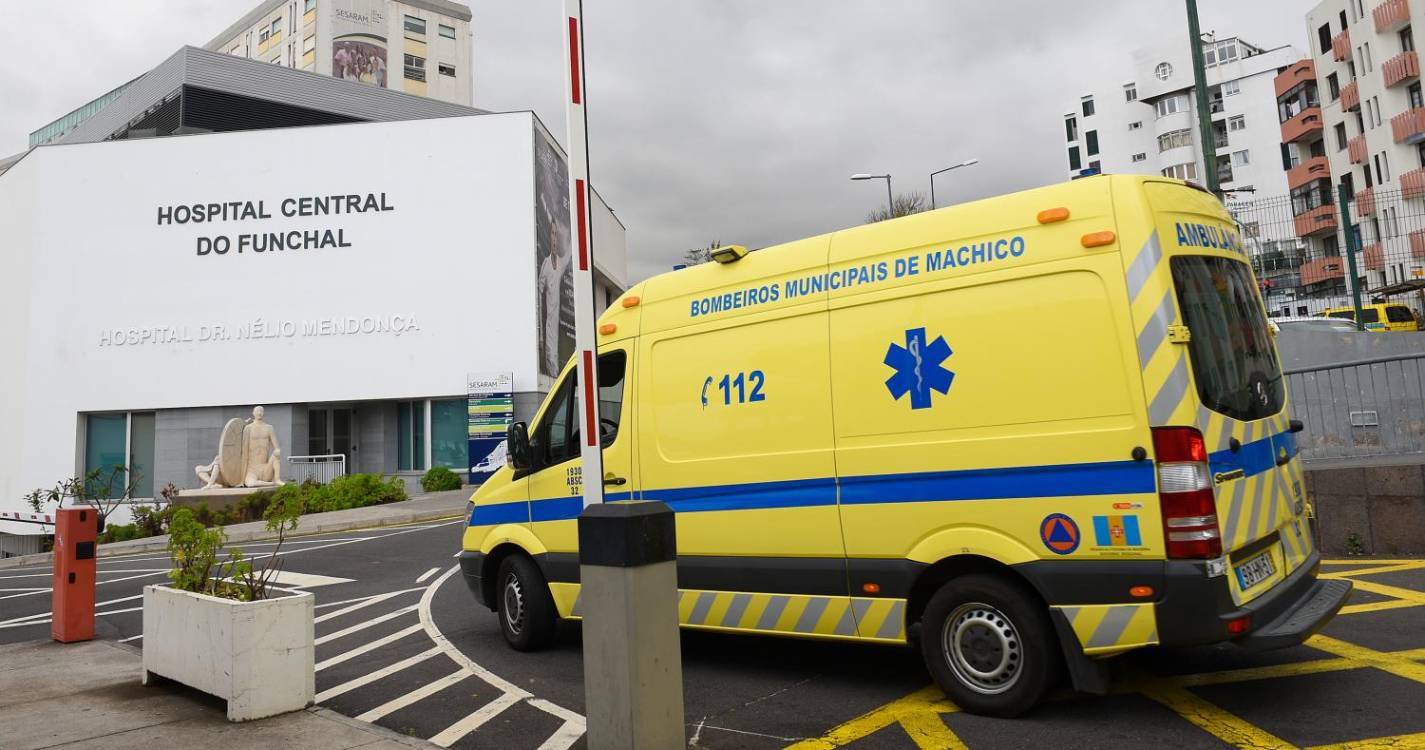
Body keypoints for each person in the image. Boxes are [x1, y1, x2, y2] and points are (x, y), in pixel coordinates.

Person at [242, 406, 283, 487]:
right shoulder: (248, 428)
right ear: (253, 413)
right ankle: (271, 483)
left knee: (277, 453)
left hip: (265, 469)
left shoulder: (269, 428)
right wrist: (241, 477)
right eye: (257, 411)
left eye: (261, 411)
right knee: (251, 484)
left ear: (264, 413)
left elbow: (277, 447)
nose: (259, 413)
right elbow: (244, 453)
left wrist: (277, 451)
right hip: (252, 470)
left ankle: (277, 479)